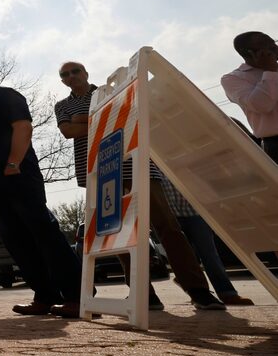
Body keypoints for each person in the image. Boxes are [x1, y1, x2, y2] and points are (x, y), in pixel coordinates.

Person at [54, 60, 226, 311]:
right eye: (65, 74)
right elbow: (68, 131)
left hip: (137, 164)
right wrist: (101, 120)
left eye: (75, 71)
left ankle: (198, 289)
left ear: (86, 72)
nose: (71, 76)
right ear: (62, 81)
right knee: (118, 233)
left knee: (167, 226)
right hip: (100, 172)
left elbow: (126, 118)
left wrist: (86, 120)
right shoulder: (63, 105)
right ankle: (143, 293)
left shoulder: (109, 92)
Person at [0, 57, 83, 318]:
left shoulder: (5, 96)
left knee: (43, 233)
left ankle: (77, 296)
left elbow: (23, 127)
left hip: (17, 177)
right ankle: (45, 296)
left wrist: (13, 163)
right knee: (16, 241)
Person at [159, 176, 253, 305]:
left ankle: (227, 293)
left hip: (194, 211)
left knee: (209, 253)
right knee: (183, 256)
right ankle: (197, 292)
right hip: (169, 213)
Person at [221, 31, 278, 163]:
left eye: (273, 43)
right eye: (267, 47)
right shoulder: (232, 79)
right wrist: (270, 71)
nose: (274, 48)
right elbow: (262, 105)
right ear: (250, 53)